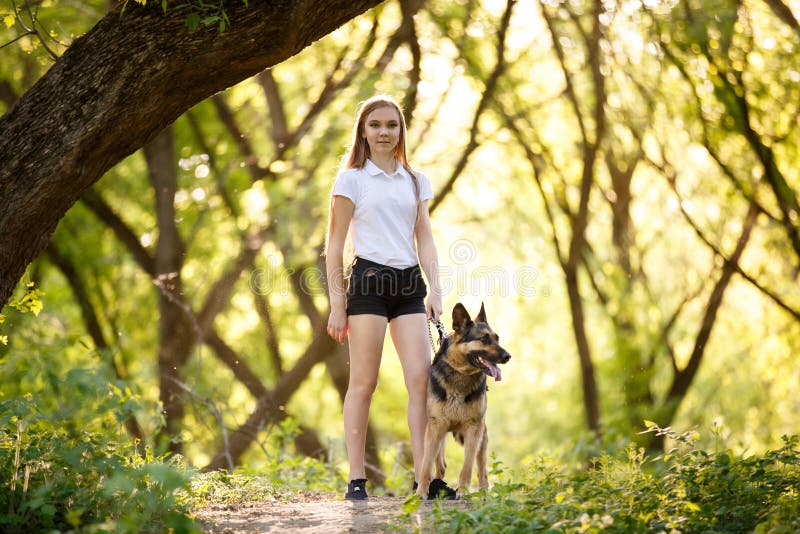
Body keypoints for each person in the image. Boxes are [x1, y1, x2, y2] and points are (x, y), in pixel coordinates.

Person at [325, 95, 455, 500]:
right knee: (364, 382)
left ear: (401, 131)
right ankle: (356, 479)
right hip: (367, 282)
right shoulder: (351, 179)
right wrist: (336, 302)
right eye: (376, 125)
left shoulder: (414, 181)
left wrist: (437, 290)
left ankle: (426, 479)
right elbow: (334, 244)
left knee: (421, 381)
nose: (384, 132)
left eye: (392, 125)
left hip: (408, 286)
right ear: (363, 130)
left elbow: (426, 239)